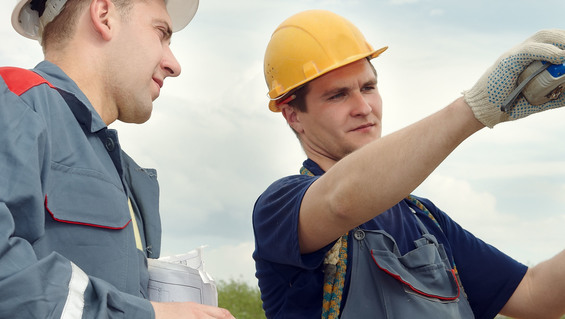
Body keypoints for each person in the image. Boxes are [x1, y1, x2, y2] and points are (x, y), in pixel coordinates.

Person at [252, 9, 565, 319]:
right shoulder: (280, 208)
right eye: (337, 96)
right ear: (293, 115)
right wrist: (475, 108)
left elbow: (533, 294)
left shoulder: (424, 220)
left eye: (368, 87)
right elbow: (340, 201)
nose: (363, 107)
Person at [0, 0, 234, 318]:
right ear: (105, 16)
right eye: (161, 32)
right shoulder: (16, 104)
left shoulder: (122, 172)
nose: (174, 64)